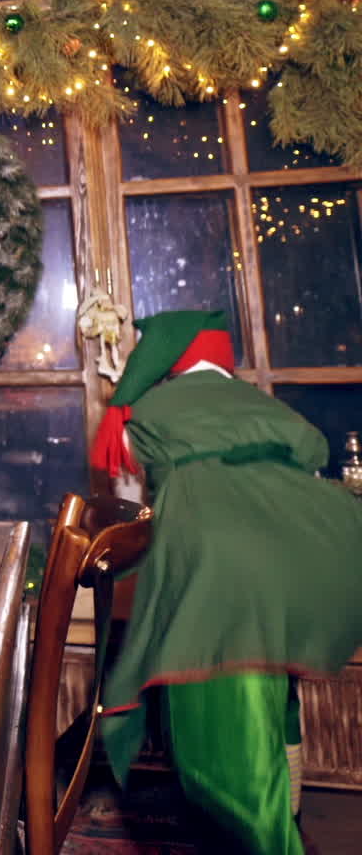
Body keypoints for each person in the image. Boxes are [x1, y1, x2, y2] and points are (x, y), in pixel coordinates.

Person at [91, 309, 362, 855]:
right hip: (304, 566)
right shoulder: (272, 409)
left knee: (222, 737)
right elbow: (313, 454)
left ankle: (265, 836)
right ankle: (289, 804)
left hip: (217, 579)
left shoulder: (148, 410)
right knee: (276, 697)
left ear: (174, 360)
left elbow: (128, 491)